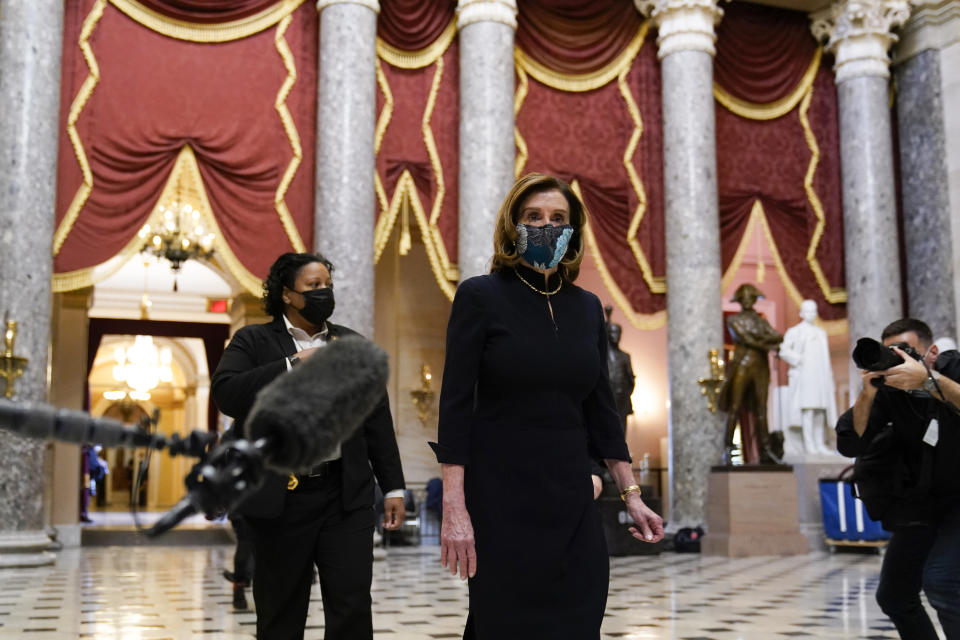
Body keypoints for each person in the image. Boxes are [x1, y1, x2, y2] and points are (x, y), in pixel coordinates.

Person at [431, 173, 664, 639]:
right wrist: (454, 507)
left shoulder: (587, 307)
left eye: (558, 219)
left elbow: (602, 410)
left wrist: (631, 493)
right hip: (499, 494)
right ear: (512, 226)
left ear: (573, 232)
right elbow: (455, 405)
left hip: (572, 492)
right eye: (533, 217)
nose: (546, 226)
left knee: (579, 618)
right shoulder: (480, 296)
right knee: (505, 625)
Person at [211, 252, 407, 640]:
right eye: (313, 286)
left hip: (345, 498)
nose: (324, 293)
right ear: (287, 294)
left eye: (327, 285)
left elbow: (377, 422)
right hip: (282, 500)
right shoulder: (253, 341)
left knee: (351, 609)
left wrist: (394, 486)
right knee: (280, 615)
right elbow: (227, 394)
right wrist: (293, 364)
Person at [836, 318, 960, 639]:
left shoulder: (953, 366)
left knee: (942, 580)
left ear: (931, 352)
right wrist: (869, 391)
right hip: (924, 505)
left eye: (906, 351)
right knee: (894, 595)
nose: (898, 360)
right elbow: (852, 442)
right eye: (891, 353)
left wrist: (929, 382)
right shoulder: (892, 393)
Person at [718, 283, 783, 464]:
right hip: (742, 365)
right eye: (743, 298)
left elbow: (778, 335)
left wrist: (763, 339)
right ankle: (728, 448)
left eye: (750, 297)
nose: (747, 301)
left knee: (761, 408)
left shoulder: (760, 320)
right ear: (739, 300)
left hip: (760, 366)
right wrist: (768, 344)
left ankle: (766, 450)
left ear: (754, 299)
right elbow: (745, 339)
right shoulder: (734, 320)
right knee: (735, 406)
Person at [779, 299, 837, 456]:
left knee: (820, 410)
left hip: (820, 374)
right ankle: (809, 444)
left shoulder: (821, 333)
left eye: (813, 311)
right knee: (808, 409)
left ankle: (820, 444)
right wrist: (797, 359)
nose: (810, 314)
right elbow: (783, 350)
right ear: (801, 313)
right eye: (807, 311)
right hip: (804, 375)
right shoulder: (795, 331)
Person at [604, 305, 636, 432]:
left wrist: (626, 393)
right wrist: (608, 316)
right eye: (612, 333)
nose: (615, 336)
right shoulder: (604, 354)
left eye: (618, 333)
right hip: (607, 397)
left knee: (621, 429)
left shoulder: (625, 356)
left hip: (621, 397)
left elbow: (630, 378)